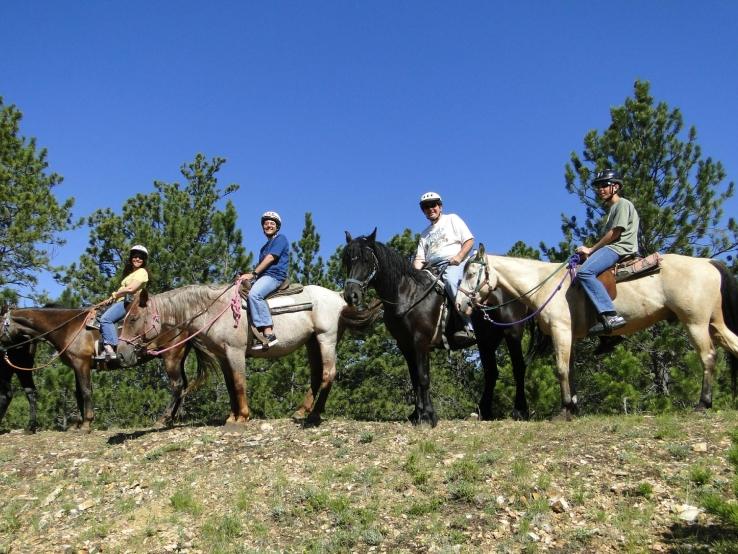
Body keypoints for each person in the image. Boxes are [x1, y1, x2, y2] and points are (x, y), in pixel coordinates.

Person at [576, 169, 640, 335]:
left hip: (619, 248)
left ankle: (611, 316)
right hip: (614, 248)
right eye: (598, 187)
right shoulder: (613, 209)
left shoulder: (622, 204)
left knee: (584, 272)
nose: (600, 189)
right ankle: (608, 337)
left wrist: (590, 250)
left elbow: (616, 232)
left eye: (605, 185)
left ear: (616, 187)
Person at [412, 191, 475, 342]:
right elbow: (420, 258)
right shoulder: (424, 234)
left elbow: (469, 240)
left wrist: (458, 257)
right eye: (426, 207)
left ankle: (469, 325)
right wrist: (413, 275)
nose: (430, 209)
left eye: (433, 205)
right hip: (432, 268)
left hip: (455, 263)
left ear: (440, 206)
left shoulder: (452, 219)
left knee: (451, 281)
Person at [239, 211, 289, 350]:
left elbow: (271, 258)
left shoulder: (281, 239)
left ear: (277, 227)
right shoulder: (263, 247)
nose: (268, 225)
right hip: (264, 277)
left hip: (275, 276)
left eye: (272, 223)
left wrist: (253, 274)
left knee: (255, 294)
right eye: (266, 223)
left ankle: (268, 333)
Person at [97, 245, 150, 360]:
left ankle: (111, 348)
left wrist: (115, 294)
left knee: (105, 319)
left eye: (140, 257)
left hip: (129, 303)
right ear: (131, 258)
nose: (137, 259)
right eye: (135, 256)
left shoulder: (142, 272)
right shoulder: (131, 274)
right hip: (121, 301)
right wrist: (112, 298)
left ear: (144, 260)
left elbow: (131, 289)